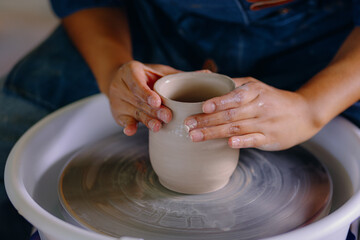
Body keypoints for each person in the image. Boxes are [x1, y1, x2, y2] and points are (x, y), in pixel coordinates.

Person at [1, 0, 359, 239]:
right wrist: (112, 73)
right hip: (151, 26)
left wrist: (312, 107)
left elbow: (315, 105)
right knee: (9, 151)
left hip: (326, 46)